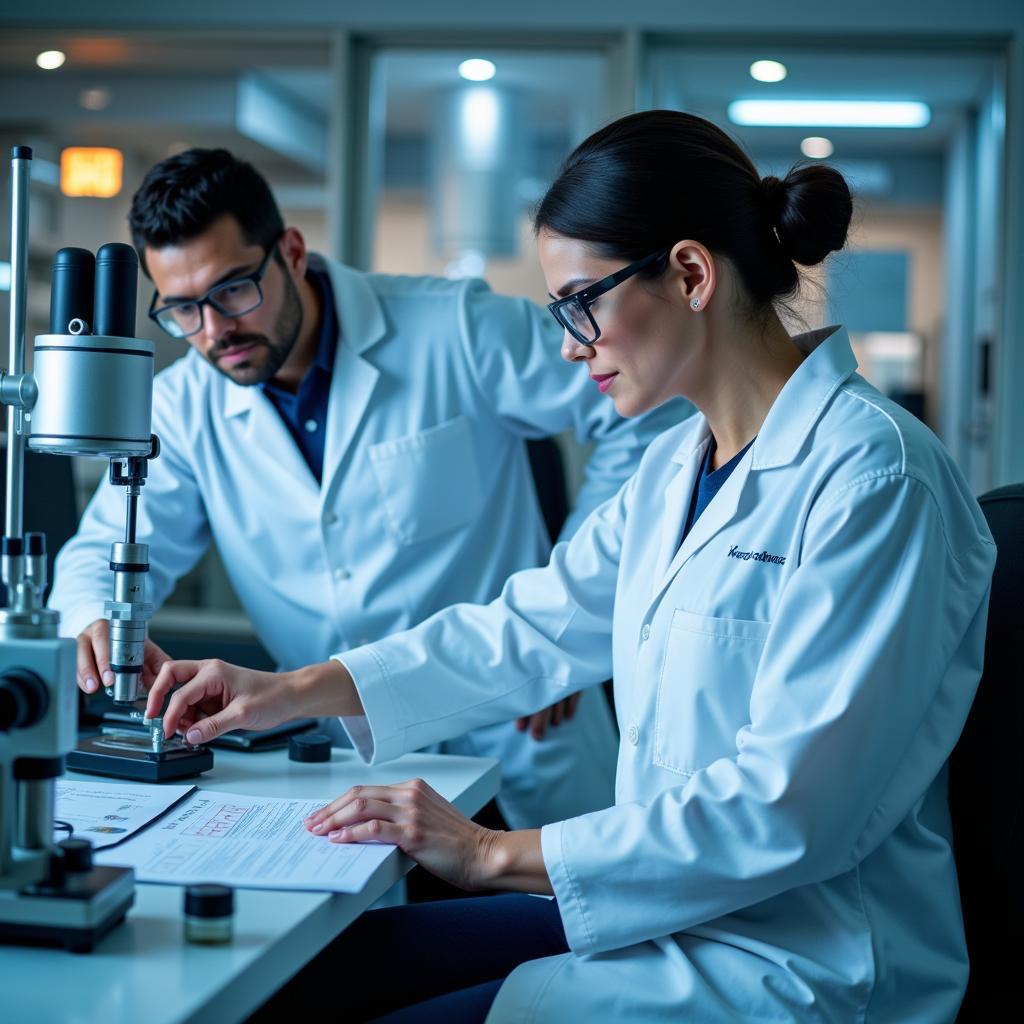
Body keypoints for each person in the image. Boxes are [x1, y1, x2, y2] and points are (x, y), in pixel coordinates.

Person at [148, 111, 996, 1022]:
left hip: (796, 960)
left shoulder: (874, 479)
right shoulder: (677, 468)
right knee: (317, 975)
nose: (566, 343)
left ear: (691, 274)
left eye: (579, 302)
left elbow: (783, 812)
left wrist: (485, 855)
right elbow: (527, 628)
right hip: (674, 914)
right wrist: (287, 690)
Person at [51, 148, 687, 831]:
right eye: (181, 310)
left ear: (291, 252)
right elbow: (98, 554)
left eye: (233, 290)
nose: (213, 332)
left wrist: (564, 603)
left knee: (563, 918)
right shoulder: (182, 407)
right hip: (338, 746)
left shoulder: (456, 327)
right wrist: (96, 620)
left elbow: (655, 415)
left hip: (523, 715)